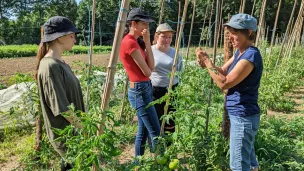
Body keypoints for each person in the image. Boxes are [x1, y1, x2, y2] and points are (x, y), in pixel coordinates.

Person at [196, 14, 263, 171]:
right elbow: (222, 72)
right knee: (250, 163)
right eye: (230, 33)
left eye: (234, 33)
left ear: (249, 33)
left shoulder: (250, 55)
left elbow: (224, 83)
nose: (230, 38)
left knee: (238, 165)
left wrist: (207, 61)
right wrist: (207, 64)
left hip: (243, 116)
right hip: (240, 115)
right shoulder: (239, 53)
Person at [35, 16, 84, 171]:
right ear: (60, 37)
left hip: (74, 134)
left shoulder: (60, 63)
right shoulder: (50, 66)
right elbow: (62, 108)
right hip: (68, 136)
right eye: (72, 36)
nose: (74, 40)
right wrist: (85, 128)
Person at [119, 8, 161, 162]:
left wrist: (148, 43)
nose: (146, 26)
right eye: (143, 23)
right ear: (133, 24)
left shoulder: (137, 42)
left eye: (147, 23)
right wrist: (147, 45)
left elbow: (152, 66)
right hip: (139, 90)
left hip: (144, 88)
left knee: (143, 131)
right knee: (156, 133)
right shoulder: (129, 43)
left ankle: (138, 164)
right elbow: (148, 71)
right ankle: (160, 163)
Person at [150, 23, 183, 138]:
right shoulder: (150, 51)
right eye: (163, 37)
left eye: (169, 37)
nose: (167, 40)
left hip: (172, 90)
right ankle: (156, 149)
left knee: (170, 120)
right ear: (157, 37)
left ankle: (169, 147)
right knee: (156, 120)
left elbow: (180, 71)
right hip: (155, 92)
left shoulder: (175, 53)